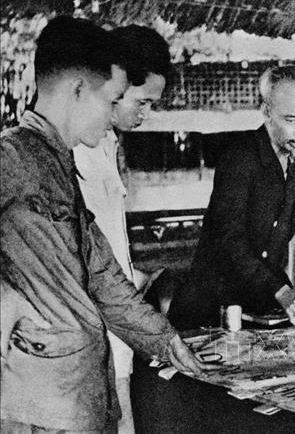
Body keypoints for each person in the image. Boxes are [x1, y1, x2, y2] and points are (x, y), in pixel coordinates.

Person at [0, 16, 216, 433]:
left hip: (80, 395)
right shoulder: (12, 156)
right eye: (111, 99)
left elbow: (102, 275)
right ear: (79, 90)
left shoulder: (59, 163)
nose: (113, 112)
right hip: (37, 408)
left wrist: (164, 339)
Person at [72, 24, 171, 434]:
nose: (145, 114)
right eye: (141, 101)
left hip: (118, 332)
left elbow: (105, 241)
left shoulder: (107, 143)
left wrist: (137, 277)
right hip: (92, 339)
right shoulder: (76, 151)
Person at [168, 65, 295, 329]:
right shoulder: (240, 157)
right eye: (290, 120)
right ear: (266, 112)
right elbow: (229, 239)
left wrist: (283, 291)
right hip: (208, 309)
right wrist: (280, 290)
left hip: (256, 303)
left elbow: (275, 241)